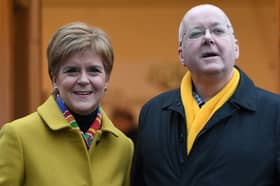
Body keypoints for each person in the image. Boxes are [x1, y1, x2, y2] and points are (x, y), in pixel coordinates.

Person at [131, 4, 280, 186]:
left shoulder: (274, 113)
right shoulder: (153, 113)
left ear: (236, 48)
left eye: (218, 31)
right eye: (196, 33)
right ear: (181, 55)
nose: (208, 38)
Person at [0, 22, 133, 186]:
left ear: (106, 79)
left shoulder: (123, 147)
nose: (84, 80)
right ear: (54, 78)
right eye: (72, 70)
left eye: (94, 70)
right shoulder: (18, 136)